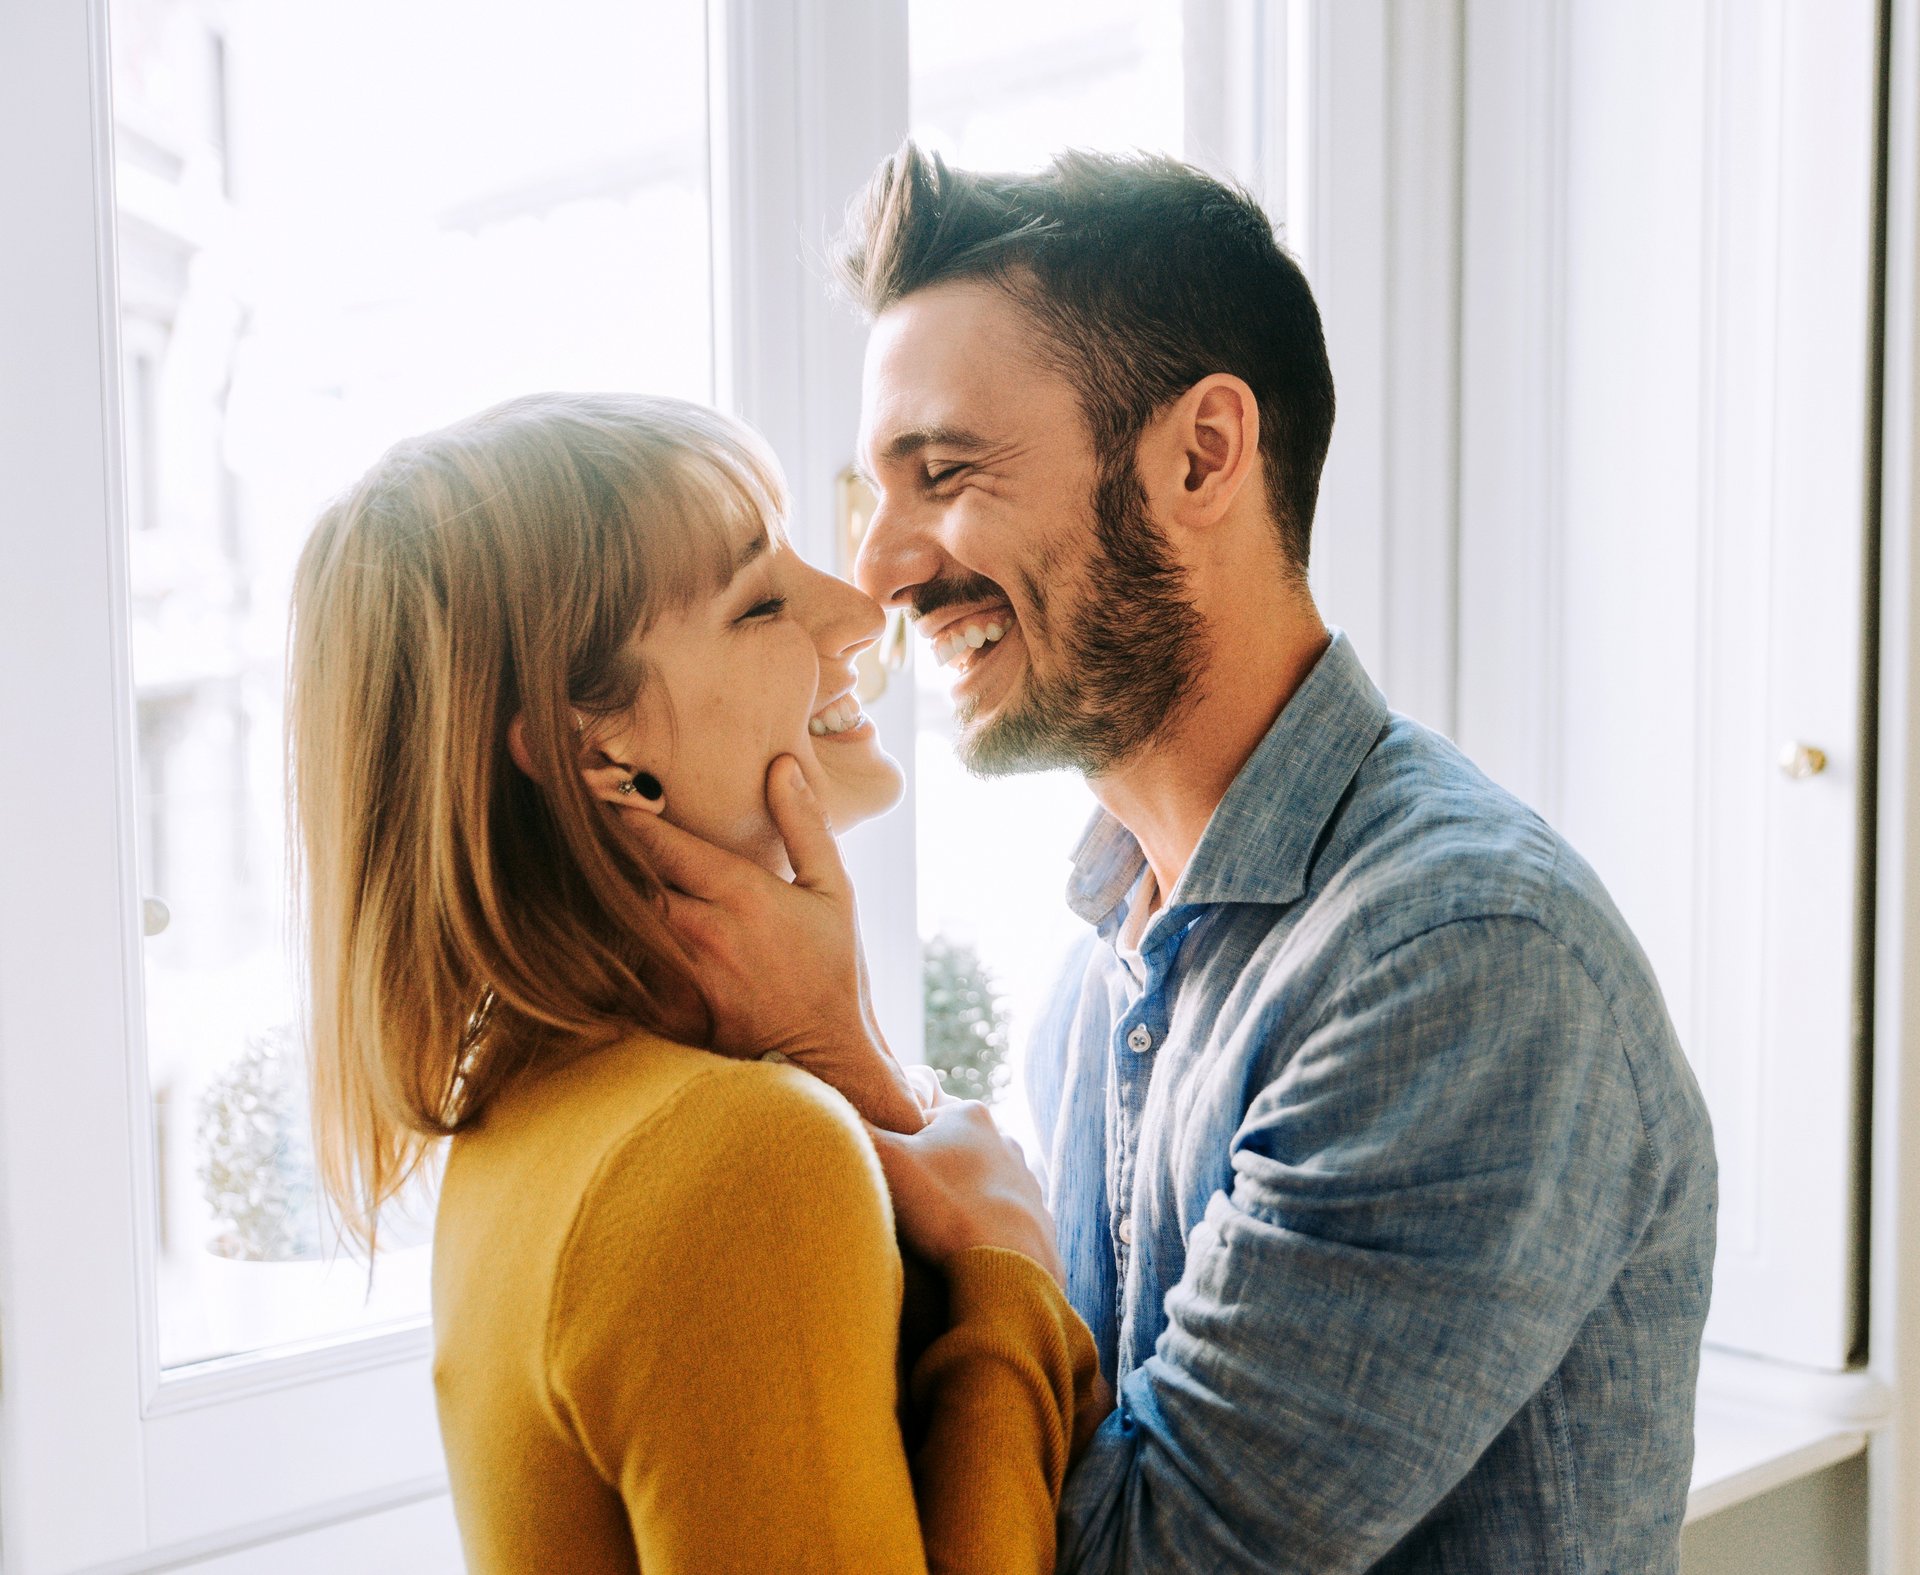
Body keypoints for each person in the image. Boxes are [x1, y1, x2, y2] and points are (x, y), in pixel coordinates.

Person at [654, 146, 1719, 1572]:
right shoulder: (1097, 977)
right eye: (875, 492)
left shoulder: (1462, 960)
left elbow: (1137, 1556)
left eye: (946, 474)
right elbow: (1062, 1453)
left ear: (1203, 454)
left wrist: (833, 1046)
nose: (882, 569)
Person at [287, 391, 1103, 1574]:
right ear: (591, 751)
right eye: (761, 600)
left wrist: (850, 1058)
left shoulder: (535, 1115)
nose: (858, 610)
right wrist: (1013, 1286)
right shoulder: (735, 1157)